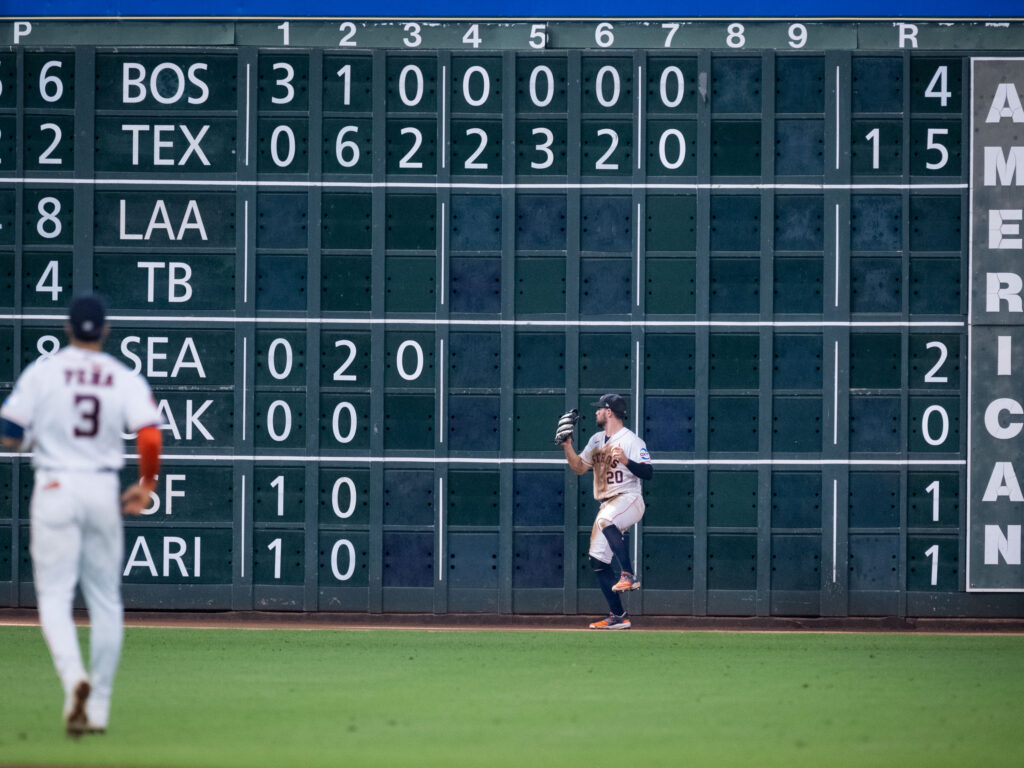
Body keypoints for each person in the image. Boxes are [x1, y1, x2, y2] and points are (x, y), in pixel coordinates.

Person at [0, 295, 162, 736]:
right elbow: (149, 436)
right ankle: (101, 708)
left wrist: (32, 440)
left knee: (54, 596)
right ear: (104, 331)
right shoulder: (119, 375)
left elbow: (10, 434)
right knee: (106, 600)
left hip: (54, 484)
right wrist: (146, 485)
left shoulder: (44, 372)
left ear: (68, 329)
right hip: (101, 486)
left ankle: (75, 680)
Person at [558, 394, 652, 629]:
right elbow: (579, 468)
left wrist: (628, 461)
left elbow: (648, 472)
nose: (597, 412)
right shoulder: (597, 440)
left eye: (600, 409)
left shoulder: (631, 440)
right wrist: (568, 446)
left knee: (606, 519)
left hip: (629, 498)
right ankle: (619, 616)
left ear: (609, 412)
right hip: (607, 502)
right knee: (597, 560)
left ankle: (628, 574)